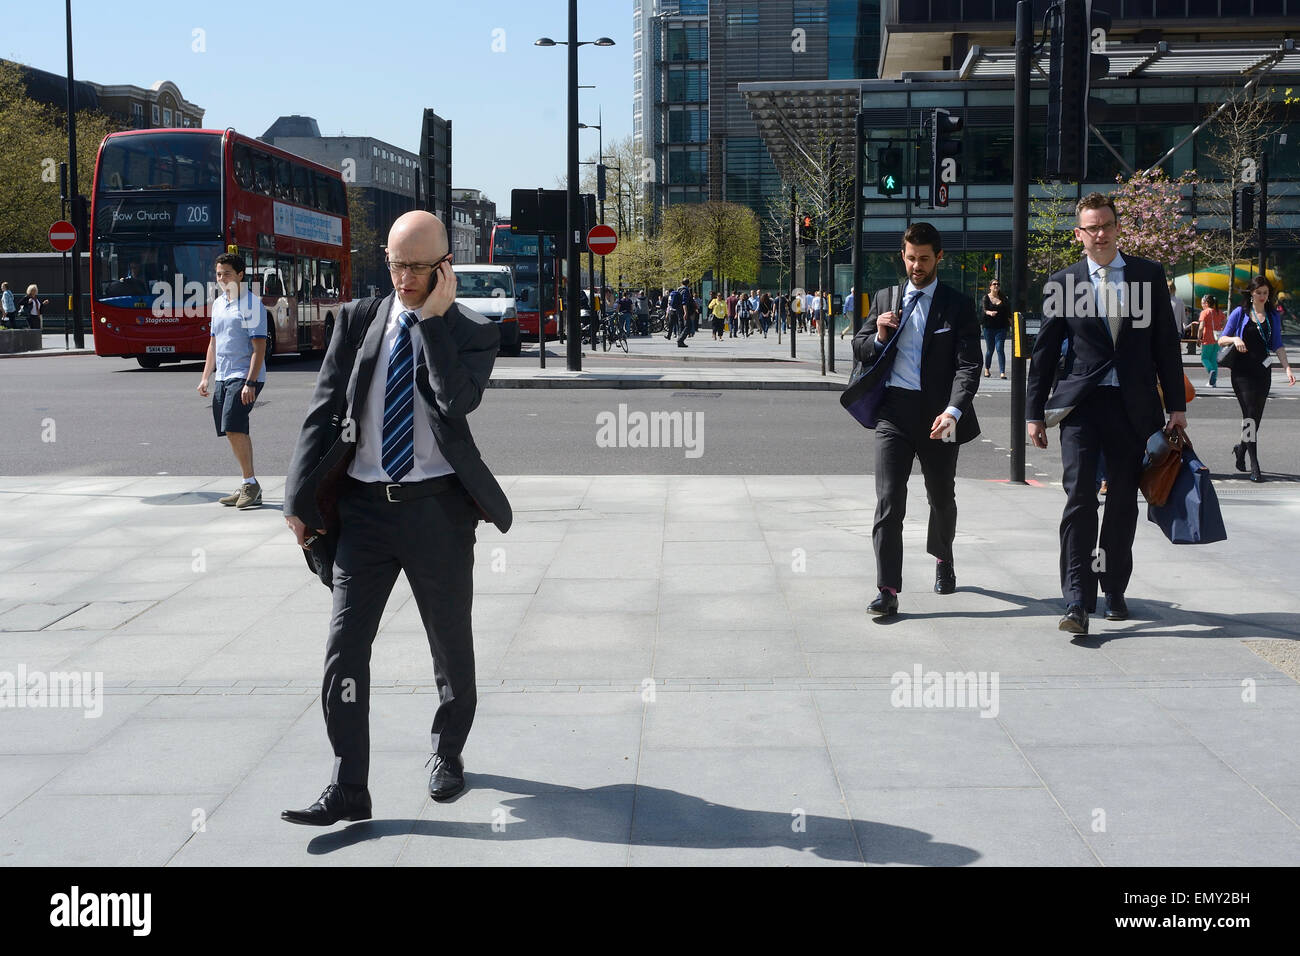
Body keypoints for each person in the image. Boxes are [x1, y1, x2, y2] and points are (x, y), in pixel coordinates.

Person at [281, 211, 511, 825]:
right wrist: (297, 501)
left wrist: (432, 323)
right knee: (343, 651)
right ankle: (347, 784)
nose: (403, 278)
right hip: (363, 514)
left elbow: (455, 400)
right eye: (395, 264)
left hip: (437, 510)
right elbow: (322, 411)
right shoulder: (357, 322)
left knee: (450, 645)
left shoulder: (472, 332)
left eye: (416, 267)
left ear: (443, 268)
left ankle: (447, 752)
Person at [1027, 192, 1186, 635]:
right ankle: (1076, 600)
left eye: (1106, 225)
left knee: (1121, 503)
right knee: (1079, 499)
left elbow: (1165, 347)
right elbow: (1043, 354)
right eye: (1091, 227)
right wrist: (1034, 412)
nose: (1100, 233)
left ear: (1118, 227)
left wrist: (1176, 405)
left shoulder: (1148, 275)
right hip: (1081, 407)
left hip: (1133, 409)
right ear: (1079, 234)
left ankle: (1114, 588)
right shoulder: (1064, 283)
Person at [852, 222, 982, 618]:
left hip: (939, 416)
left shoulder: (957, 305)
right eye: (910, 258)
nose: (916, 266)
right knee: (890, 500)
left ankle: (943, 557)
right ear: (903, 255)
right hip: (893, 414)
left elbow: (969, 365)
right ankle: (887, 588)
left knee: (941, 497)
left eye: (924, 259)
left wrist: (954, 410)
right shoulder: (886, 298)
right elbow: (860, 346)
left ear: (938, 257)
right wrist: (877, 335)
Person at [197, 254, 269, 510]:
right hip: (224, 376)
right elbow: (213, 343)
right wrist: (206, 376)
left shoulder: (252, 304)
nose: (221, 279)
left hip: (244, 375)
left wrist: (250, 382)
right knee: (231, 429)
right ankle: (248, 483)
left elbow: (259, 347)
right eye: (218, 274)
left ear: (240, 275)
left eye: (226, 273)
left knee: (234, 425)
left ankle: (251, 484)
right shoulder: (218, 304)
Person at [1220, 276, 1296, 482]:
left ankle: (1241, 448)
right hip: (1242, 373)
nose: (1263, 296)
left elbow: (1278, 345)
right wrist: (1235, 338)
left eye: (1266, 293)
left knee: (1255, 420)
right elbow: (1221, 339)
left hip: (1263, 372)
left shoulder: (1272, 315)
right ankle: (1255, 466)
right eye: (1259, 292)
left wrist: (1287, 368)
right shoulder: (1240, 313)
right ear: (1251, 293)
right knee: (1250, 415)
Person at [980, 279, 1012, 379]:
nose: (996, 286)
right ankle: (987, 369)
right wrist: (990, 312)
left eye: (998, 284)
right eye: (994, 284)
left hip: (1001, 327)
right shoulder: (986, 297)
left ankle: (1002, 372)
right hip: (988, 327)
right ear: (990, 286)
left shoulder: (1003, 298)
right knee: (990, 349)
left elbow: (1008, 312)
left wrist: (1012, 324)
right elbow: (984, 309)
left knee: (1000, 349)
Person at [1198, 293, 1226, 388]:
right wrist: (1222, 328)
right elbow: (1225, 321)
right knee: (1213, 359)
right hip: (1217, 338)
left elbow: (1201, 327)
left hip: (1207, 338)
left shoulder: (1204, 312)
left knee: (1204, 358)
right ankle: (1213, 382)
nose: (1202, 305)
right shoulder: (1218, 311)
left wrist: (1198, 338)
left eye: (1202, 303)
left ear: (1206, 303)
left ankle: (1211, 371)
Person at [674, 278, 693, 348]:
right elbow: (684, 302)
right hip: (683, 310)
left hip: (678, 309)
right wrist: (685, 312)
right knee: (688, 325)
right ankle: (680, 339)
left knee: (681, 325)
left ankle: (680, 341)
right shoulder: (685, 290)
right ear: (688, 283)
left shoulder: (678, 289)